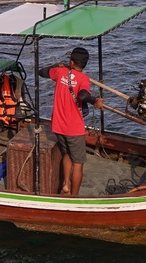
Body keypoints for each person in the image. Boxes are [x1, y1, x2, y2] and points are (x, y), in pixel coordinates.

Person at [38, 46, 103, 196]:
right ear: (84, 64)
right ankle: (74, 196)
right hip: (73, 128)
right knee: (78, 164)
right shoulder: (84, 79)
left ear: (71, 62)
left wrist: (57, 65)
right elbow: (82, 95)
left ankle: (66, 184)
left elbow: (41, 72)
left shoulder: (60, 72)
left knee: (66, 154)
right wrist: (95, 101)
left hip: (58, 126)